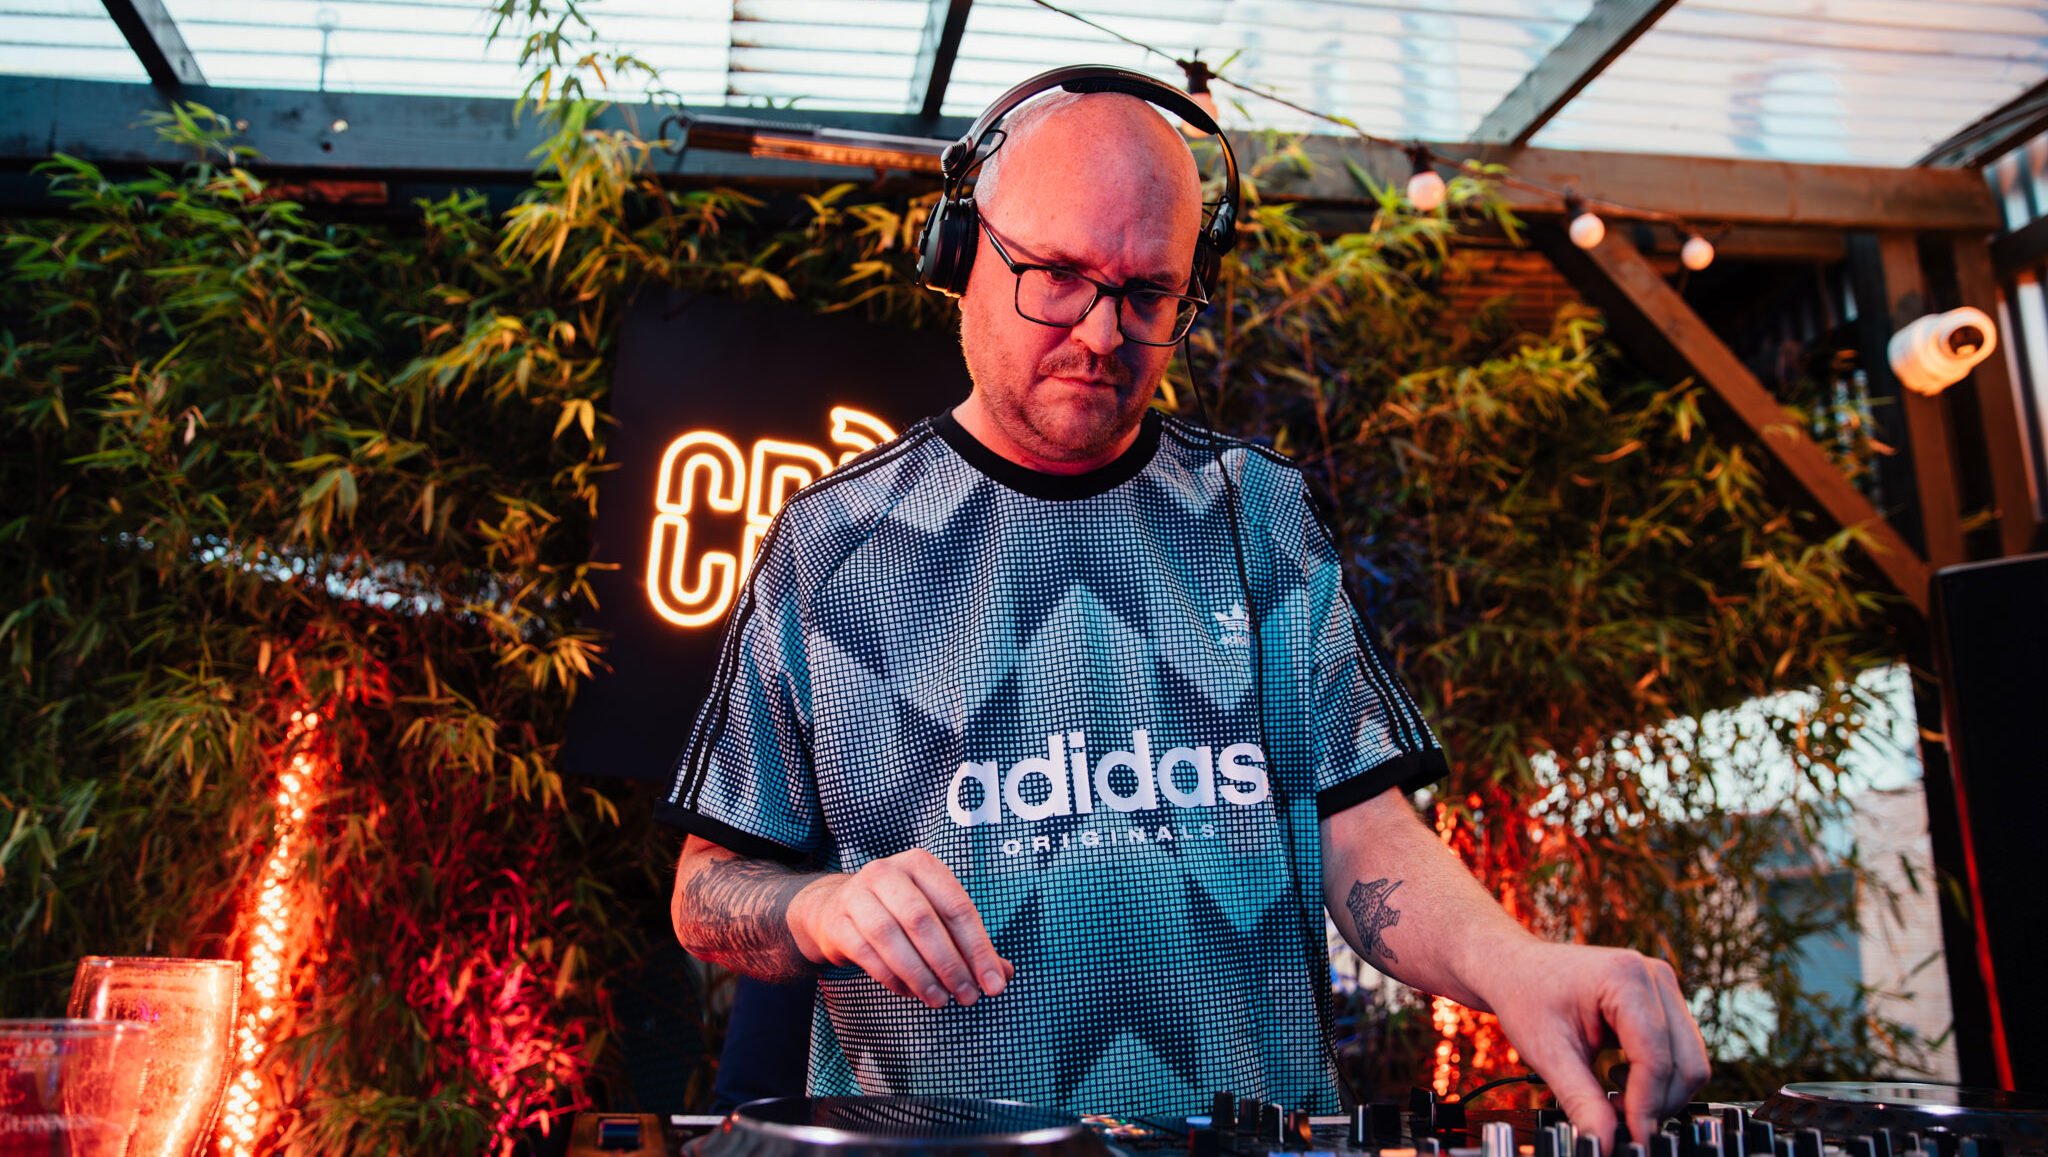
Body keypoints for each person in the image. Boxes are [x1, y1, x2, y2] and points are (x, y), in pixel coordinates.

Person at [660, 77, 1709, 1140]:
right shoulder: (831, 544)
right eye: (1059, 277)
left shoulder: (1258, 514)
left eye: (1147, 294)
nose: (1104, 332)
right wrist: (814, 904)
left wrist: (1515, 963)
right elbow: (705, 891)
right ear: (959, 252)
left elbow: (1357, 831)